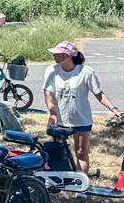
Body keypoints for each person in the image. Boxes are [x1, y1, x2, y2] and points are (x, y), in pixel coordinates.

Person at [43, 41, 123, 175]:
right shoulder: (52, 70)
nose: (54, 56)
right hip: (60, 120)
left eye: (58, 54)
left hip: (81, 119)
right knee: (53, 150)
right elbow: (48, 93)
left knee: (81, 151)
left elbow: (99, 94)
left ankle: (81, 185)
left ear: (68, 55)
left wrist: (114, 109)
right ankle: (57, 179)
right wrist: (52, 112)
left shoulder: (86, 72)